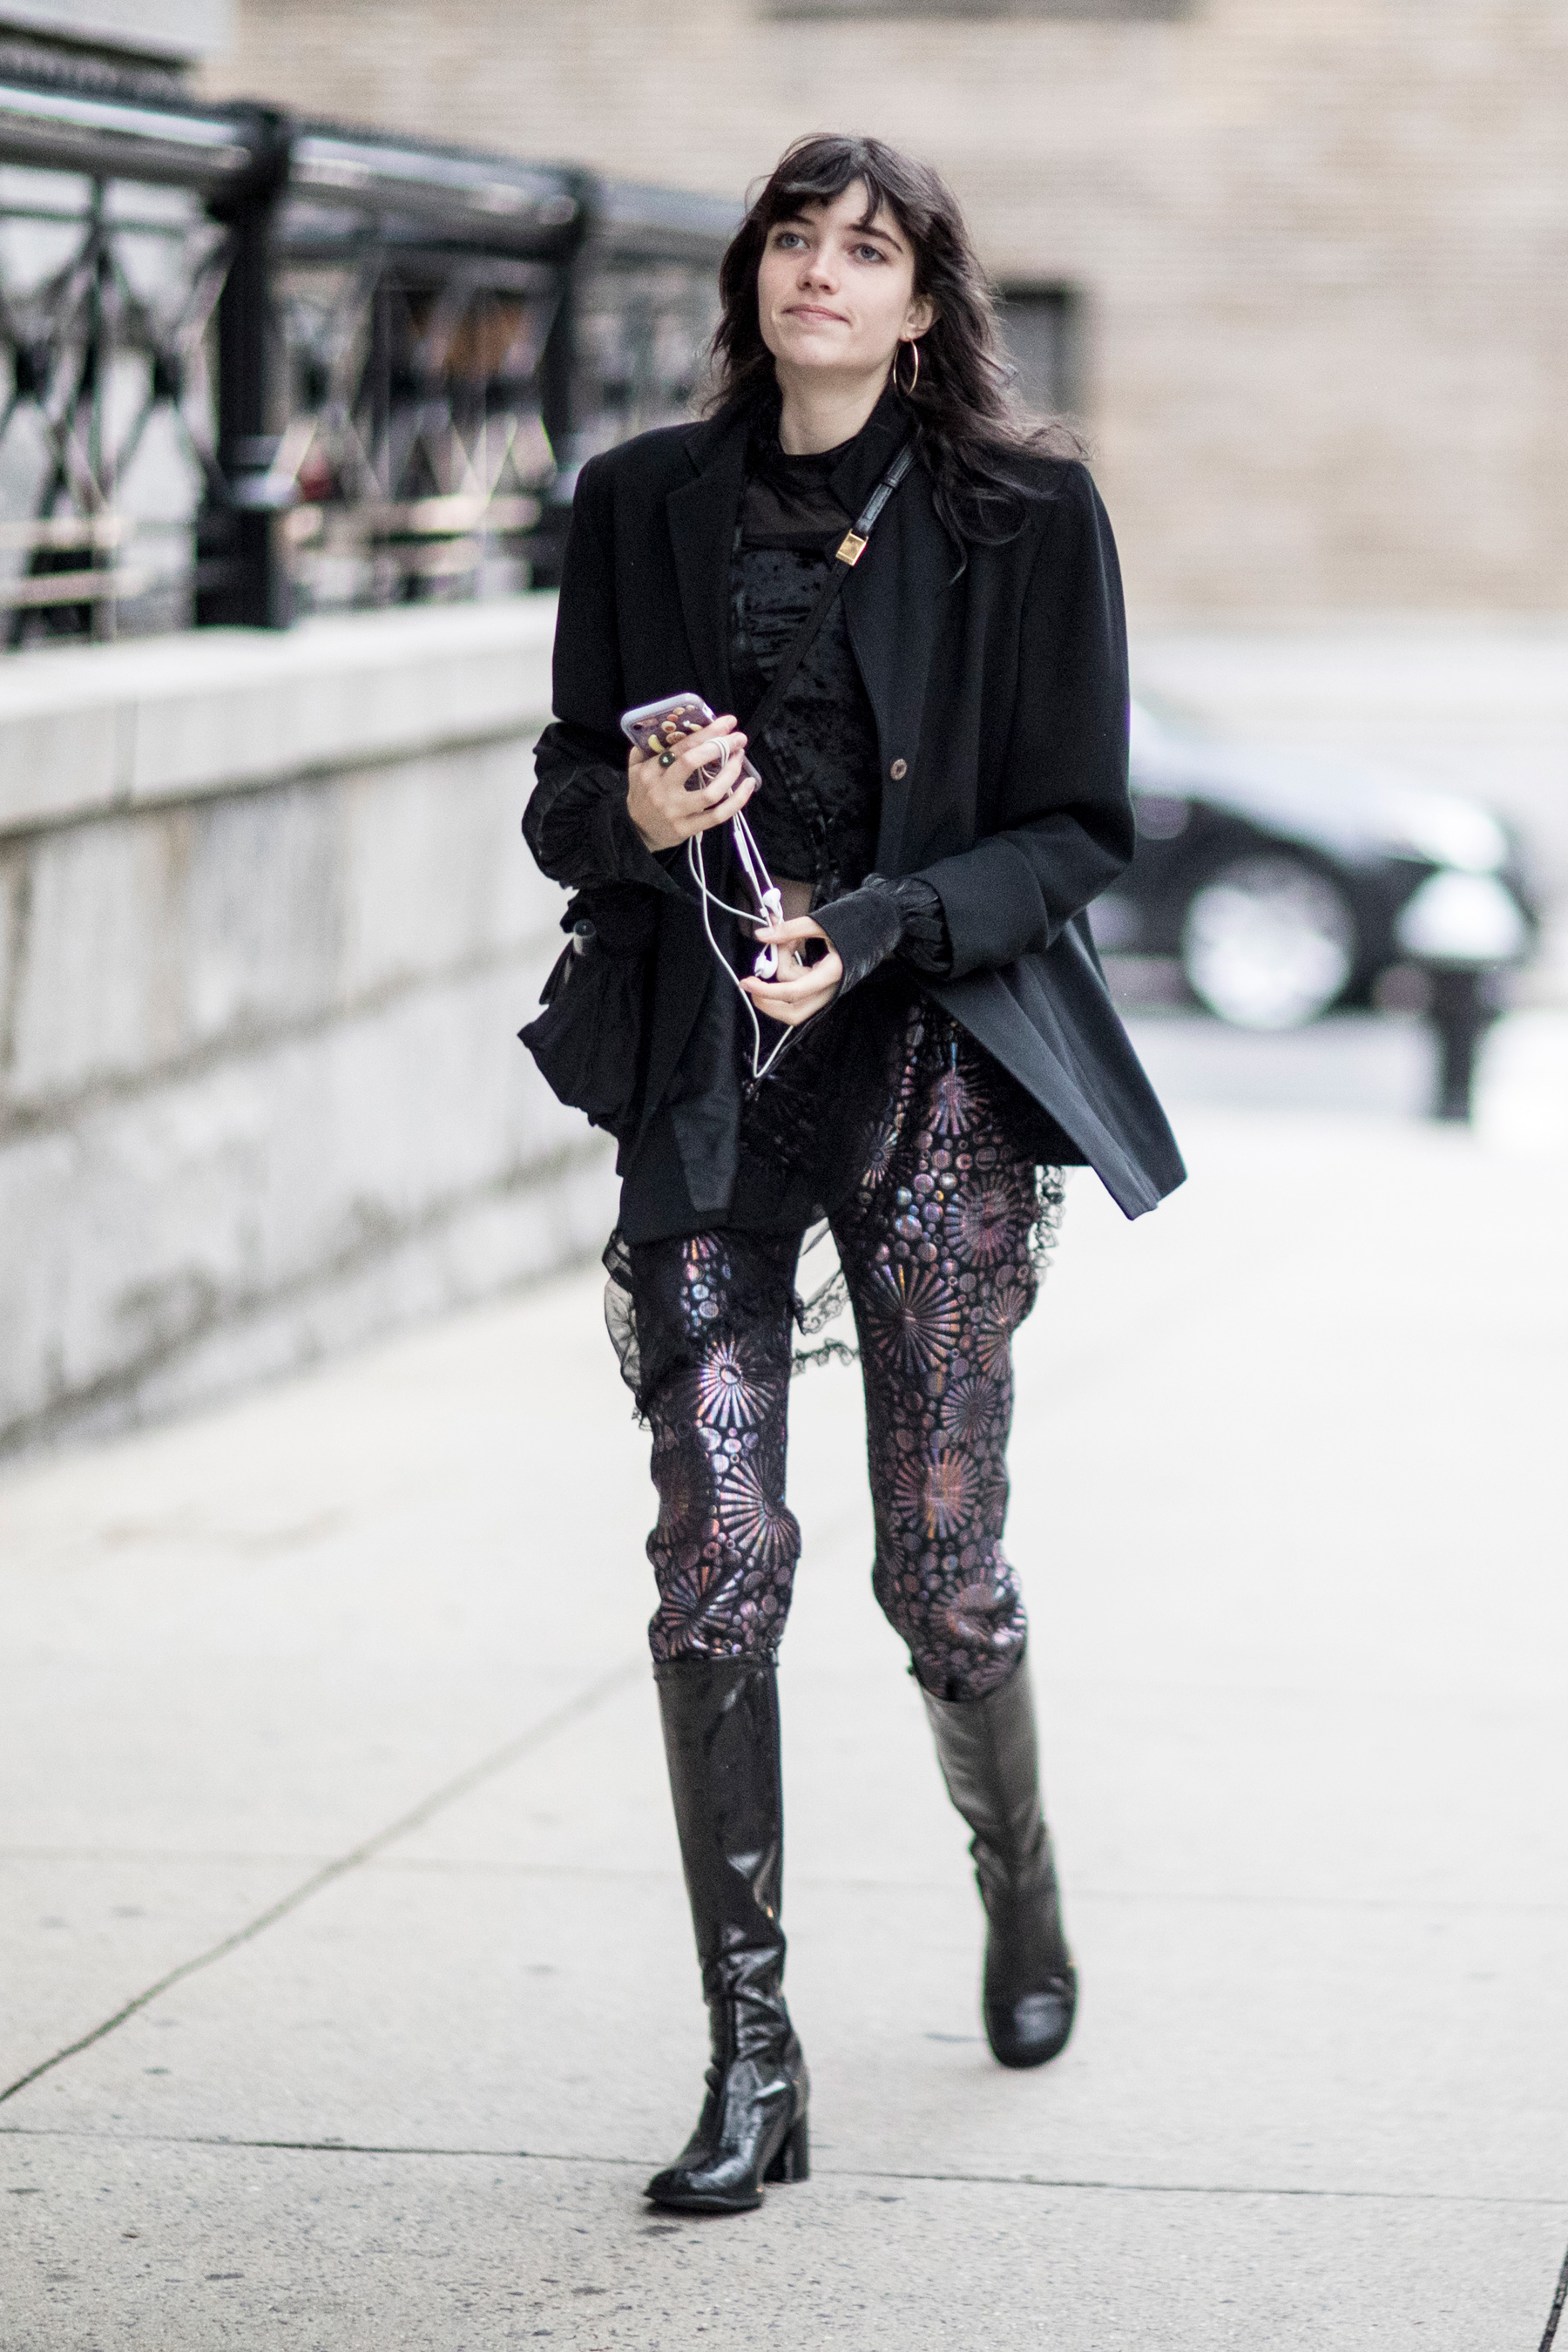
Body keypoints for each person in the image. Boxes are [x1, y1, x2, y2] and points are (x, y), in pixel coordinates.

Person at [524, 131, 1183, 2218]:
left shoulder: (1024, 512)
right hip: (708, 1076)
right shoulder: (642, 499)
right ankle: (754, 2056)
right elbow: (559, 796)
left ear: (922, 304)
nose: (822, 269)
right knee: (714, 1552)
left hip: (928, 1070)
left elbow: (1079, 829)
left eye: (868, 249)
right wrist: (638, 813)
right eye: (793, 239)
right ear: (753, 278)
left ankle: (1024, 1894)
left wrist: (883, 921)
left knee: (938, 1564)